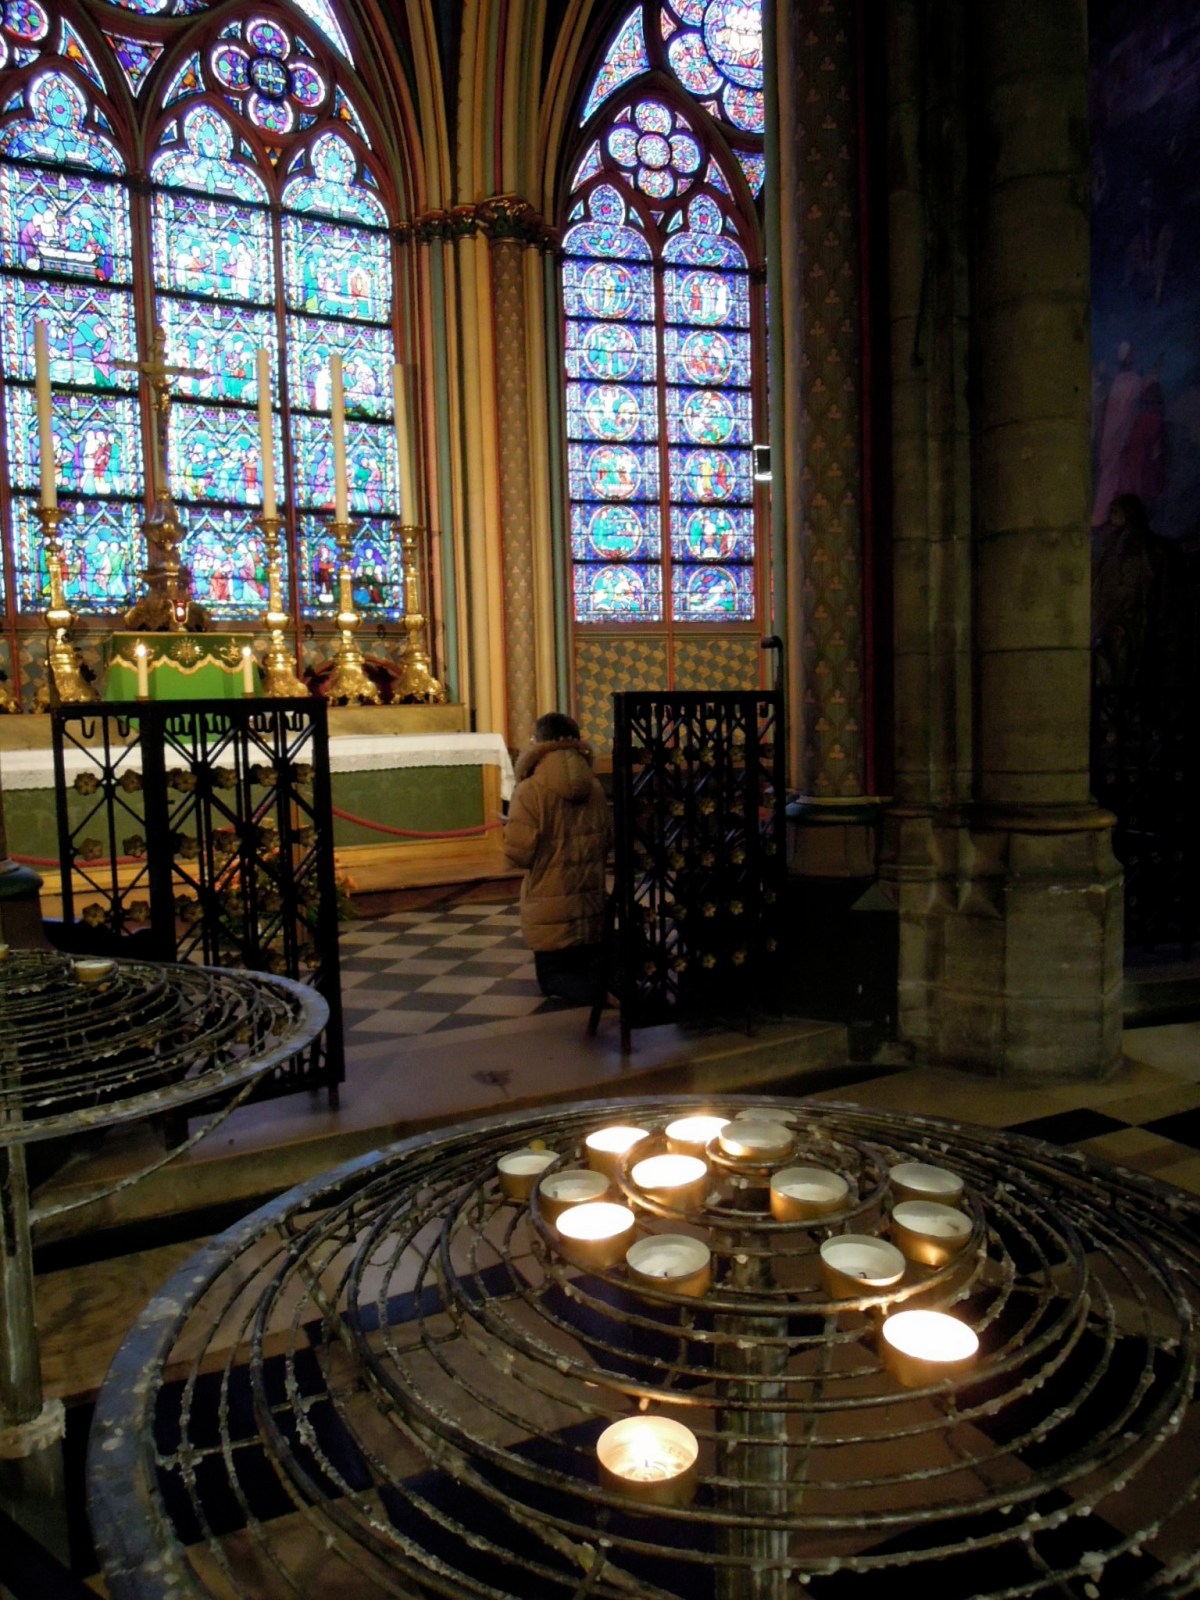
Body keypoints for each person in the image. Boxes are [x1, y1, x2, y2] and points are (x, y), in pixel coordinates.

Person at [503, 711, 611, 1005]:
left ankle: (604, 997)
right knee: (583, 968)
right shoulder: (596, 786)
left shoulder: (530, 790)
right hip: (589, 900)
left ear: (540, 743)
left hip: (549, 904)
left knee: (552, 980)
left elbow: (518, 853)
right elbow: (606, 841)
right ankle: (606, 990)